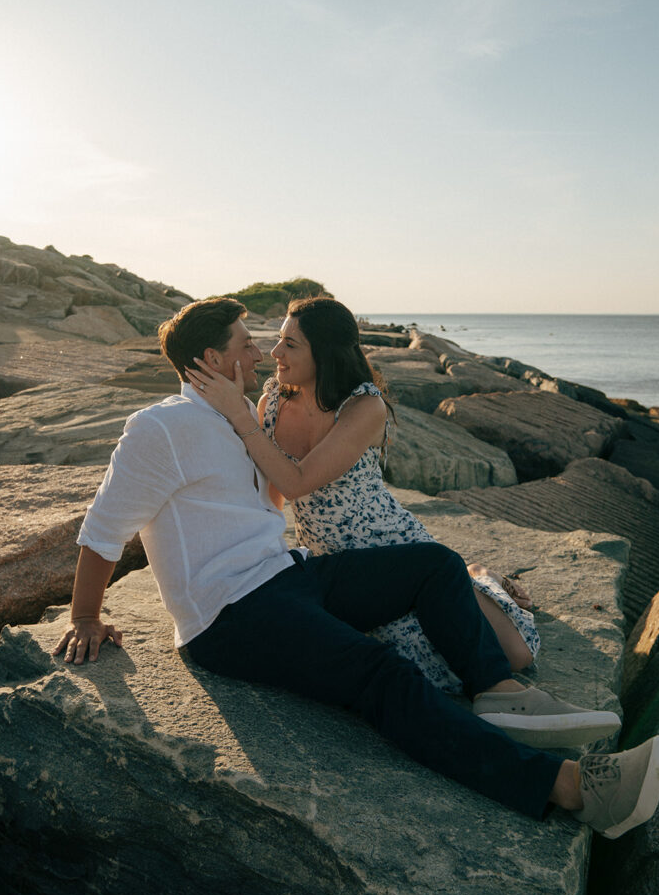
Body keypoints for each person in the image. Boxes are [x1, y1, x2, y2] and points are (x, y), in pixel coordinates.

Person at [54, 296, 659, 840]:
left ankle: (496, 694)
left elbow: (270, 499)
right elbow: (105, 526)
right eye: (247, 343)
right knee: (383, 675)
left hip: (287, 576)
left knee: (432, 566)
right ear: (214, 358)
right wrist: (85, 615)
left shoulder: (239, 416)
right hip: (231, 614)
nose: (262, 354)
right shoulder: (160, 427)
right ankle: (574, 789)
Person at [186, 296, 538, 697]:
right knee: (413, 665)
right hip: (331, 566)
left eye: (291, 345)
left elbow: (297, 482)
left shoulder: (364, 405)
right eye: (279, 339)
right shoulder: (271, 403)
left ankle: (480, 577)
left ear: (326, 352)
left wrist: (237, 413)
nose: (275, 352)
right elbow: (272, 497)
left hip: (396, 547)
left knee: (516, 656)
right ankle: (472, 577)